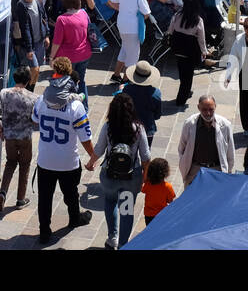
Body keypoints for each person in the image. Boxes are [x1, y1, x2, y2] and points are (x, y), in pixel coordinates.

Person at [32, 57, 95, 245]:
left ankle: (44, 232)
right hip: (68, 162)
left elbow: (35, 121)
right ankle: (74, 218)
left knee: (45, 198)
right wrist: (93, 156)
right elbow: (85, 137)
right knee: (71, 194)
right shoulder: (76, 106)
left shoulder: (42, 100)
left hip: (45, 160)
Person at [87, 92, 150, 249]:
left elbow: (99, 149)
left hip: (110, 174)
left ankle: (112, 237)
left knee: (110, 202)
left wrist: (90, 163)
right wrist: (145, 176)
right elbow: (146, 157)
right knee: (126, 210)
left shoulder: (108, 127)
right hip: (131, 177)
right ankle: (123, 244)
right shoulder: (138, 128)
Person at [0, 66, 36, 212]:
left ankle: (3, 193)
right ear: (28, 81)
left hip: (9, 137)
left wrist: (1, 129)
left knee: (10, 163)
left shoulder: (4, 93)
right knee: (24, 166)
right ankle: (20, 199)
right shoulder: (33, 97)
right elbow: (36, 120)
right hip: (25, 137)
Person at [177, 94, 235, 184]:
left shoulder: (225, 125)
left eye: (211, 110)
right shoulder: (189, 124)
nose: (208, 113)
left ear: (215, 107)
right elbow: (182, 148)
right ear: (198, 108)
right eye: (204, 110)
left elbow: (230, 152)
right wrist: (185, 167)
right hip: (195, 170)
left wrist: (228, 172)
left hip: (217, 170)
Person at [107, 0, 152, 83]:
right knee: (133, 56)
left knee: (125, 50)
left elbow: (110, 1)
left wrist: (121, 9)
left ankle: (116, 75)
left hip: (122, 24)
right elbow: (146, 13)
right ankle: (126, 80)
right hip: (133, 28)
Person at [48, 0, 91, 87]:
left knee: (64, 84)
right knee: (81, 82)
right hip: (84, 54)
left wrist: (51, 58)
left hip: (67, 58)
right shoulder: (84, 13)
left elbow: (57, 42)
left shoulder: (62, 19)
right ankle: (83, 102)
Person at [12, 0, 49, 85]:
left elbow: (44, 18)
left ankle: (30, 90)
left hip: (39, 41)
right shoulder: (21, 5)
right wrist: (29, 49)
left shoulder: (38, 1)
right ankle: (27, 90)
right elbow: (25, 28)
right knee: (35, 69)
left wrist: (46, 35)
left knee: (37, 70)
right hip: (30, 44)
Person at [118, 60, 162, 146]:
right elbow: (157, 115)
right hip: (147, 129)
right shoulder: (156, 93)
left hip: (129, 127)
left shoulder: (127, 90)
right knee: (146, 154)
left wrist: (120, 91)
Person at [141, 158, 176, 226]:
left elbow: (143, 190)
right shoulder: (167, 187)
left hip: (148, 215)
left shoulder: (148, 184)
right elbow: (170, 201)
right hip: (161, 215)